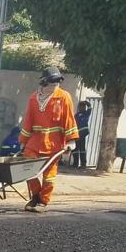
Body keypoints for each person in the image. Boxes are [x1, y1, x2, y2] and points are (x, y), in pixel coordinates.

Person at [18, 66, 79, 212]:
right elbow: (28, 121)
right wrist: (23, 142)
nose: (56, 84)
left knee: (49, 176)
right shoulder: (33, 98)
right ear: (44, 82)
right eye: (53, 81)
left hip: (54, 143)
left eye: (58, 81)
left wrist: (71, 141)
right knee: (27, 169)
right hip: (35, 141)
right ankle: (36, 196)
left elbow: (69, 119)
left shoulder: (64, 97)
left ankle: (43, 201)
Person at [73, 100, 92, 170]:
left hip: (82, 134)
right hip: (76, 134)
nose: (81, 108)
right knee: (75, 149)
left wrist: (87, 103)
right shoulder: (76, 115)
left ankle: (83, 164)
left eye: (83, 106)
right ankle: (75, 164)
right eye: (80, 106)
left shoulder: (86, 113)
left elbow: (90, 108)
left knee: (82, 149)